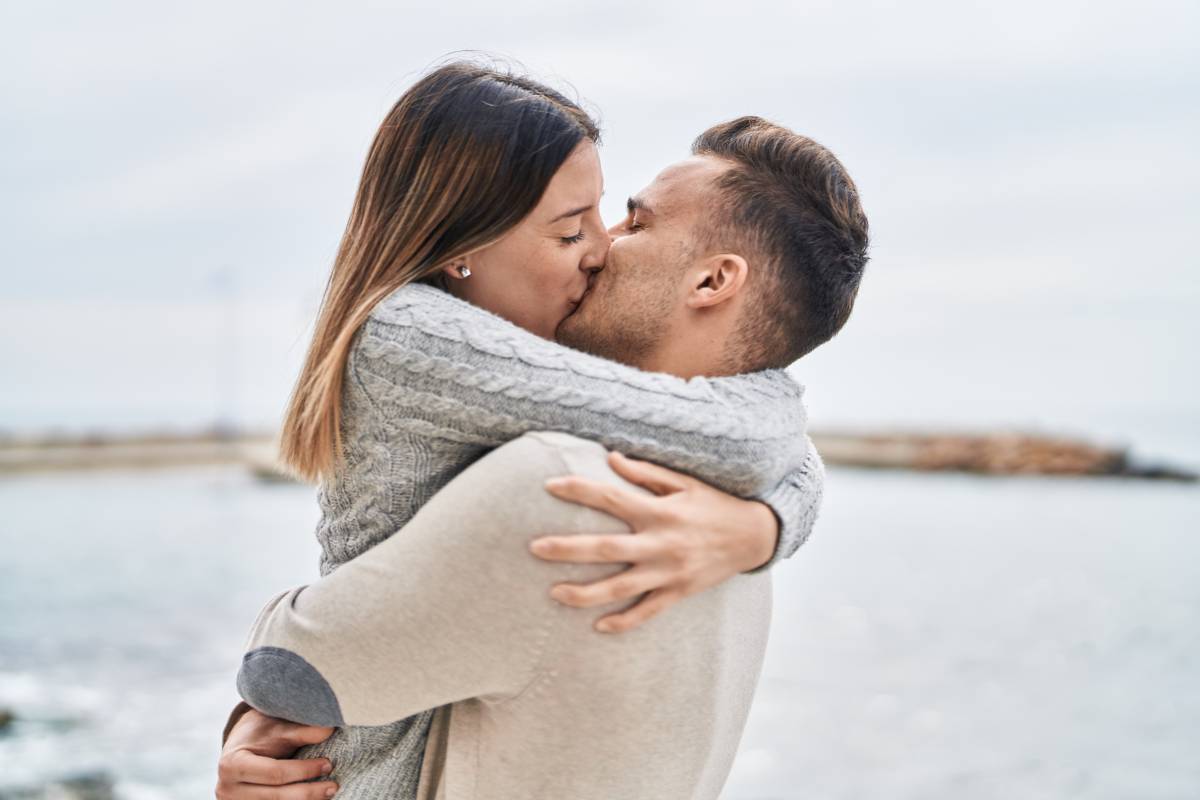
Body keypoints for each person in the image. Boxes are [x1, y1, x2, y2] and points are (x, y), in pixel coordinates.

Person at [216, 61, 868, 800]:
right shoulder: (722, 519)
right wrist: (768, 525)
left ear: (713, 281)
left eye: (632, 222)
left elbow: (296, 665)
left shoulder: (558, 488)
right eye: (572, 229)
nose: (602, 245)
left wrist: (260, 700)